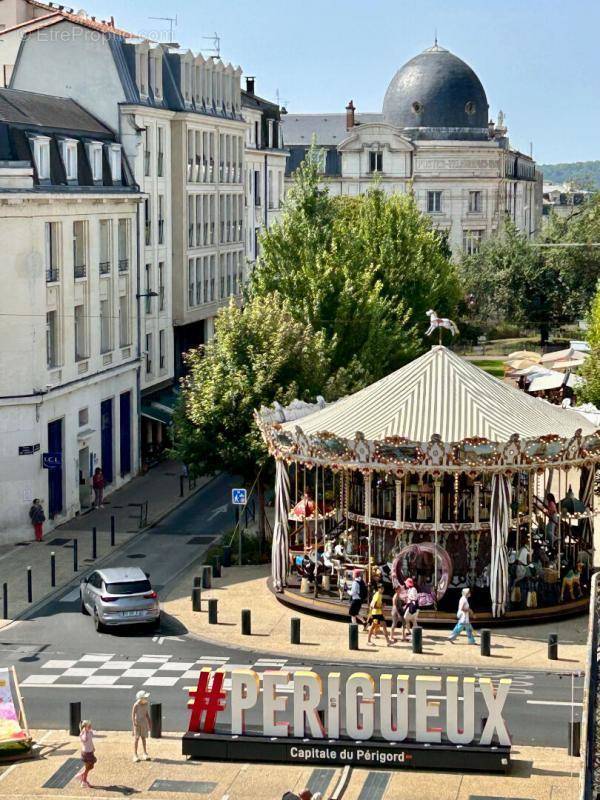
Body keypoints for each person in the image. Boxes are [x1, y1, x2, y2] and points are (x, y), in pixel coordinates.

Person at [132, 690, 152, 762]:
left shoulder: (146, 704)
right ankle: (135, 754)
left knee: (143, 738)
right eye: (145, 698)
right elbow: (133, 714)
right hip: (137, 723)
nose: (146, 699)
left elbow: (146, 714)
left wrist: (149, 722)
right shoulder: (136, 705)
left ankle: (145, 753)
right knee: (136, 739)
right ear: (141, 698)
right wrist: (134, 722)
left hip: (144, 723)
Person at [76, 720, 96, 788]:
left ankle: (81, 776)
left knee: (90, 766)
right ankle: (84, 781)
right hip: (86, 754)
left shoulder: (90, 732)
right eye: (89, 726)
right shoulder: (82, 734)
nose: (90, 726)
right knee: (88, 767)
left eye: (90, 725)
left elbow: (91, 740)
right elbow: (85, 739)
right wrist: (84, 731)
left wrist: (93, 747)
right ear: (85, 727)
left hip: (90, 752)